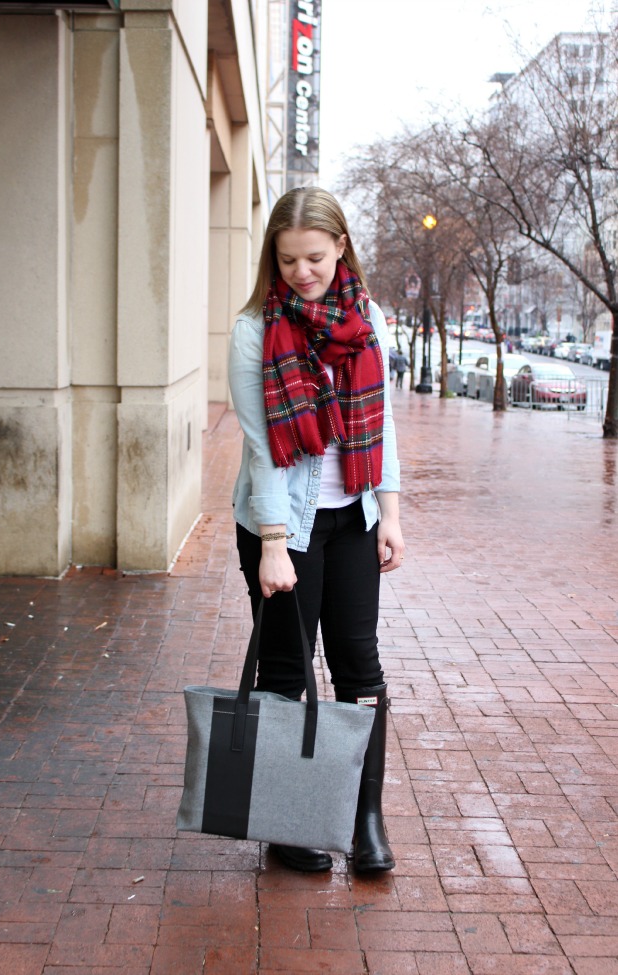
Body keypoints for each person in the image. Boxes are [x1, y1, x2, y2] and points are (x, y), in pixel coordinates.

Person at [228, 186, 405, 874]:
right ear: (273, 259)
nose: (303, 272)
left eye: (314, 258)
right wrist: (273, 541)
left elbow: (382, 423)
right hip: (283, 525)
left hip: (354, 515)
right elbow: (263, 445)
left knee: (360, 666)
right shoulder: (254, 330)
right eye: (288, 260)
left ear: (340, 248)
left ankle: (366, 819)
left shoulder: (369, 318)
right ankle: (286, 822)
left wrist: (391, 511)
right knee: (284, 668)